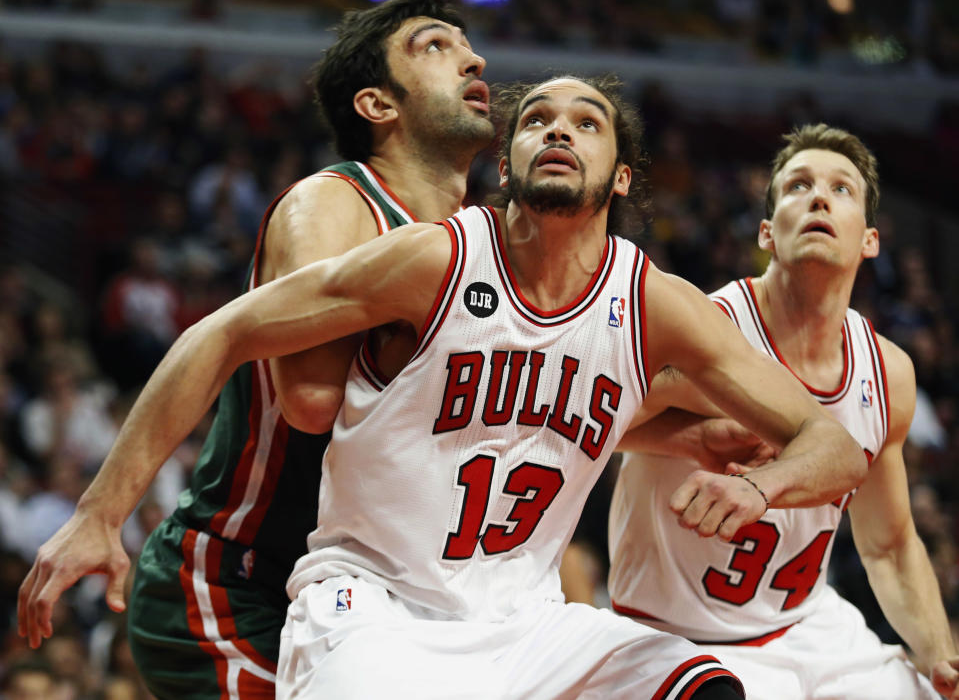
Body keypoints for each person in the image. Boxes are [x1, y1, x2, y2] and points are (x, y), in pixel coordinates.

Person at [61, 74, 873, 698]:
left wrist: (762, 488)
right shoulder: (434, 260)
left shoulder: (655, 303)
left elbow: (834, 444)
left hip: (527, 624)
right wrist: (100, 515)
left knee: (704, 685)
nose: (558, 128)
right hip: (373, 607)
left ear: (620, 178)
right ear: (507, 163)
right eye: (536, 120)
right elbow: (223, 330)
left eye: (585, 122)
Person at [17, 0, 494, 698]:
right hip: (238, 582)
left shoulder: (476, 245)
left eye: (468, 48)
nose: (474, 61)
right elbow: (309, 396)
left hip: (375, 594)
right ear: (377, 104)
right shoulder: (336, 202)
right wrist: (100, 512)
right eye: (435, 48)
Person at [607, 123, 959, 699]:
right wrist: (685, 435)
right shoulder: (704, 329)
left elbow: (890, 546)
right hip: (677, 638)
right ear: (767, 232)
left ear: (870, 239)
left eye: (841, 189)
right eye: (798, 185)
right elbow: (583, 416)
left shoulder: (887, 372)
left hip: (809, 628)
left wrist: (940, 653)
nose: (819, 196)